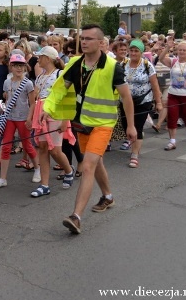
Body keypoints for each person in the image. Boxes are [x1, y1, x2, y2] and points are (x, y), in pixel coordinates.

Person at [43, 24, 136, 234]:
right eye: (82, 38)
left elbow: (126, 97)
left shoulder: (113, 67)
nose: (84, 42)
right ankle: (108, 197)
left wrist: (131, 126)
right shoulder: (75, 64)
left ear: (101, 43)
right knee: (96, 162)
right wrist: (48, 109)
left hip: (103, 124)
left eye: (89, 39)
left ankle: (76, 216)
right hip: (81, 124)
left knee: (86, 166)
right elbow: (59, 90)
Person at [30, 46, 75, 195]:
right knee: (42, 147)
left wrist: (65, 121)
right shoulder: (40, 76)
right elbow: (35, 100)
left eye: (40, 56)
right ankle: (44, 185)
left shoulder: (60, 75)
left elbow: (69, 99)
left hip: (56, 114)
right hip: (41, 114)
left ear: (47, 58)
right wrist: (30, 117)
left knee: (55, 150)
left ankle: (68, 170)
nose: (37, 59)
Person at [0, 53, 38, 189]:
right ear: (11, 67)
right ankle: (2, 178)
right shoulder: (7, 82)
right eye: (16, 66)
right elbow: (7, 98)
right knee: (5, 146)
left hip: (23, 118)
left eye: (21, 66)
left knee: (27, 145)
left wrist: (29, 118)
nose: (19, 68)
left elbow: (32, 103)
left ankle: (37, 168)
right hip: (10, 118)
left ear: (25, 67)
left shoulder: (28, 83)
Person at [119, 40, 162, 167]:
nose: (133, 53)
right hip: (125, 101)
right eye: (131, 50)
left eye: (136, 51)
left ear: (141, 52)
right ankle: (135, 142)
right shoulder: (123, 64)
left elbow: (155, 85)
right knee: (126, 125)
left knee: (137, 126)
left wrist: (158, 102)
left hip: (143, 101)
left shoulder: (147, 65)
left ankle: (135, 154)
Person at [157, 40, 186, 150]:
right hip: (173, 94)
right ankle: (172, 141)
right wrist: (168, 47)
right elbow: (161, 58)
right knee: (172, 117)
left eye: (184, 50)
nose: (181, 52)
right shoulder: (173, 61)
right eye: (179, 50)